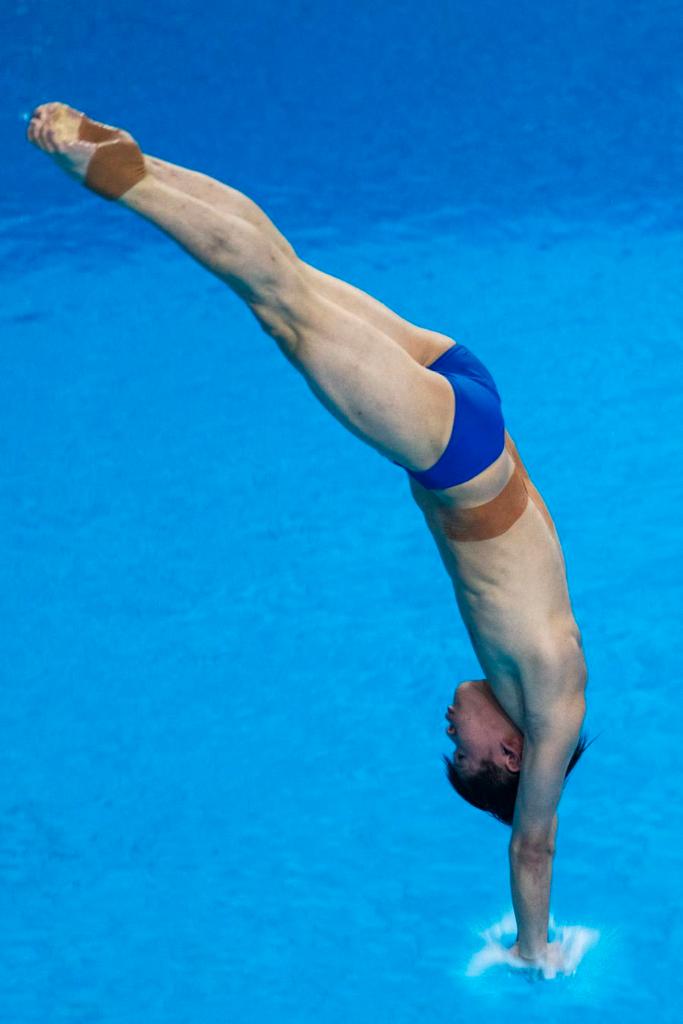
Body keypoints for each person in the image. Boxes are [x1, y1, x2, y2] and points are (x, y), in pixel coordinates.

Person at [27, 102, 590, 978]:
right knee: (279, 305)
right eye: (463, 751)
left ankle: (143, 164)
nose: (449, 727)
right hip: (453, 451)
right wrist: (533, 948)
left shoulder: (545, 683)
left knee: (287, 276)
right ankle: (118, 181)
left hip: (470, 402)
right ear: (509, 754)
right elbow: (534, 843)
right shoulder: (548, 705)